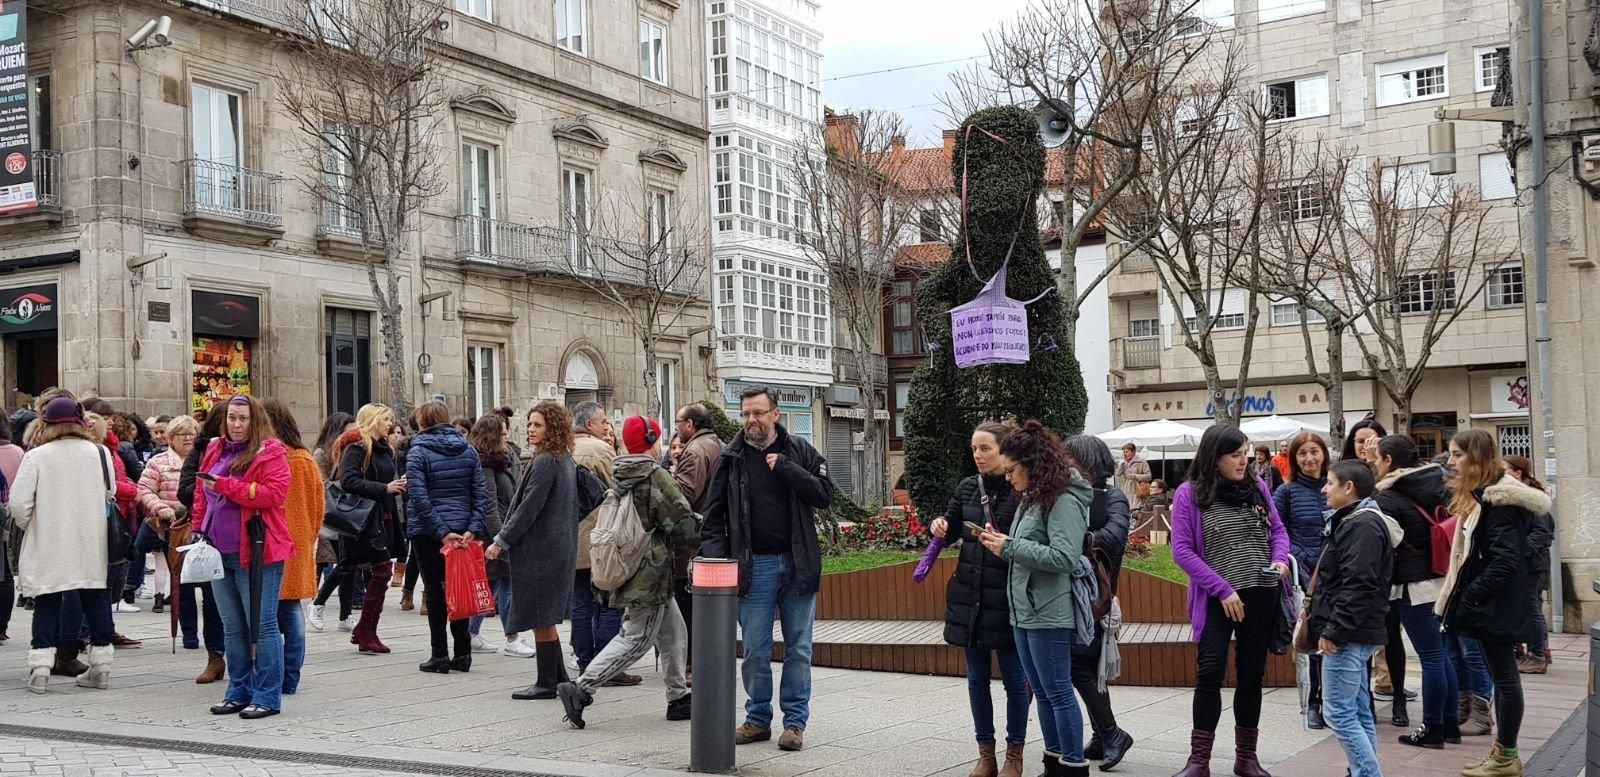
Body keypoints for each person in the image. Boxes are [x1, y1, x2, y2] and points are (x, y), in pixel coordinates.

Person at [701, 385, 833, 753]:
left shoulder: (798, 451)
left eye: (758, 413)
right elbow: (713, 518)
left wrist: (789, 470)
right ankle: (758, 719)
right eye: (744, 414)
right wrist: (716, 560)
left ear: (775, 415)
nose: (750, 420)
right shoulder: (732, 458)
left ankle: (794, 723)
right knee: (756, 649)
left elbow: (825, 494)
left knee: (799, 648)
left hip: (798, 562)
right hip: (753, 566)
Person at [557, 416, 700, 729]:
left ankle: (678, 697)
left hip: (636, 564)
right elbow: (681, 521)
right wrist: (708, 532)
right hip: (647, 572)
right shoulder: (653, 474)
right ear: (652, 440)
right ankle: (581, 688)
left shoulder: (623, 469)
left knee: (674, 632)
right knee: (637, 638)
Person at [1171, 424, 1291, 777]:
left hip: (1261, 592)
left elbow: (1279, 531)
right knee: (1209, 675)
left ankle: (1246, 759)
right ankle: (1199, 762)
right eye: (1236, 455)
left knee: (1251, 676)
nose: (1245, 461)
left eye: (1246, 453)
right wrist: (1222, 589)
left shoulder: (1257, 487)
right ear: (1214, 457)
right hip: (1217, 598)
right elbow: (1181, 551)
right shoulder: (1189, 494)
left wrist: (1280, 560)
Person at [974, 421, 1091, 777]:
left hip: (1049, 611)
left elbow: (1064, 557)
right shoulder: (1034, 498)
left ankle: (1073, 765)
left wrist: (1010, 546)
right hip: (1025, 610)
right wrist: (1004, 544)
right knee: (1041, 690)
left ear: (1032, 464)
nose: (1007, 478)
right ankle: (1054, 762)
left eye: (1011, 470)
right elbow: (1031, 549)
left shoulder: (1063, 499)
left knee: (1057, 692)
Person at [1439, 429, 1550, 777]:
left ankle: (1506, 755)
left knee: (1504, 679)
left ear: (1476, 458)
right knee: (1502, 678)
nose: (1451, 461)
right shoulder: (1483, 496)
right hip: (1492, 603)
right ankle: (1503, 753)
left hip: (1495, 605)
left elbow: (1505, 560)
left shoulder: (1499, 501)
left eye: (1457, 454)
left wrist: (1472, 595)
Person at [930, 422, 1030, 777]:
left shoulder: (1022, 489)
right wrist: (940, 525)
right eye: (974, 449)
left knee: (1016, 681)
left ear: (1005, 451)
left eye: (985, 448)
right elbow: (951, 525)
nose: (978, 455)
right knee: (976, 679)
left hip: (1009, 598)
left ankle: (1014, 755)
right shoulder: (969, 487)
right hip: (970, 596)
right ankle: (985, 753)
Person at [192, 396, 292, 720]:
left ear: (255, 421)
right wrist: (197, 529)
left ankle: (267, 695)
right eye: (231, 418)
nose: (236, 425)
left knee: (262, 627)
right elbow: (200, 493)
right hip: (219, 552)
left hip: (259, 551)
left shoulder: (272, 452)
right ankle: (238, 691)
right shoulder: (215, 448)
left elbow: (273, 495)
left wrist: (226, 486)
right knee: (232, 627)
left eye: (243, 419)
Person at [13, 397, 118, 693]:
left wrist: (34, 525)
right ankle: (101, 668)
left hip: (49, 539)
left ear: (45, 424)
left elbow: (19, 505)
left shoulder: (37, 456)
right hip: (91, 539)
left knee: (47, 600)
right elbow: (110, 491)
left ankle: (41, 668)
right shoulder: (99, 453)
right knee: (95, 599)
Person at [1368, 435, 1465, 750]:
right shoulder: (1437, 484)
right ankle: (1450, 724)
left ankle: (1433, 727)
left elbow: (1385, 545)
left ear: (1389, 461)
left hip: (1414, 585)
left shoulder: (1390, 498)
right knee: (1441, 655)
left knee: (1432, 657)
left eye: (1378, 458)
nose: (1375, 463)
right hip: (1441, 577)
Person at [1312, 460, 1402, 777]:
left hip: (1350, 634)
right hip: (1359, 630)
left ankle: (1367, 773)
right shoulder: (1357, 520)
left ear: (1348, 487)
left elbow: (1358, 583)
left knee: (1339, 713)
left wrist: (1334, 631)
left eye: (1330, 483)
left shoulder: (1361, 524)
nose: (1324, 489)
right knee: (1359, 711)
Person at [486, 402, 579, 701]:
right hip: (557, 546)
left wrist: (501, 540)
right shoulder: (562, 458)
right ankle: (559, 677)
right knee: (546, 615)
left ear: (553, 428)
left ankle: (545, 681)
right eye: (529, 424)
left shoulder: (545, 462)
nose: (530, 429)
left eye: (537, 425)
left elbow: (528, 508)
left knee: (541, 615)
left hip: (543, 549)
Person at [1063, 433, 1135, 770]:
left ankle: (1112, 733)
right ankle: (1101, 734)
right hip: (1072, 592)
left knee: (1079, 664)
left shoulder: (1114, 497)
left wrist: (1074, 539)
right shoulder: (1068, 494)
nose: (1066, 464)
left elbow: (1115, 537)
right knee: (1088, 665)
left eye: (1071, 458)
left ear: (1088, 461)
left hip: (1097, 596)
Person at [406, 401, 490, 674]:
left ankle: (439, 654)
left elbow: (419, 496)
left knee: (434, 590)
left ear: (422, 422)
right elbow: (480, 493)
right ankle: (463, 653)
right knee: (459, 587)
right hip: (463, 528)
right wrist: (471, 529)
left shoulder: (418, 450)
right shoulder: (468, 449)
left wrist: (441, 532)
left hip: (429, 532)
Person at [1341, 419, 1409, 715]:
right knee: (1360, 637)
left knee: (1391, 636)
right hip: (1354, 565)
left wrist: (1374, 463)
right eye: (1359, 441)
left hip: (1388, 570)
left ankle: (1398, 699)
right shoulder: (1343, 474)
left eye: (1372, 441)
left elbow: (1384, 505)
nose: (1365, 447)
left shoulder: (1395, 478)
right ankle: (1364, 697)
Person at [260, 399, 324, 696]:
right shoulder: (303, 458)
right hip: (296, 541)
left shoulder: (286, 459)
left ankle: (280, 674)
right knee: (291, 609)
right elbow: (318, 505)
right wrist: (308, 535)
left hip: (276, 541)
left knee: (277, 612)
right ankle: (289, 677)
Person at [570, 402, 635, 684]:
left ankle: (585, 660)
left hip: (570, 540)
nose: (606, 426)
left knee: (581, 603)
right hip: (600, 539)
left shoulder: (561, 449)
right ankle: (608, 664)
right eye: (602, 420)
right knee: (609, 602)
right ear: (589, 424)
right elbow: (620, 488)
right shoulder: (599, 450)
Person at [334, 404, 406, 655]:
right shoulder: (357, 447)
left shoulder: (385, 449)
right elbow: (349, 481)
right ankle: (366, 629)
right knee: (382, 570)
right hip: (365, 518)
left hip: (383, 515)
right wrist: (384, 488)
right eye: (385, 419)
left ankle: (366, 629)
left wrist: (395, 485)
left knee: (380, 571)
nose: (389, 424)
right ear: (373, 420)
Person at [1273, 432, 1331, 729]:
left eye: (1314, 452)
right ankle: (1315, 702)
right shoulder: (1286, 492)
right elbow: (1277, 532)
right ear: (1294, 459)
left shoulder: (1337, 485)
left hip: (1339, 571)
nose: (1310, 459)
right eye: (1303, 454)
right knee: (1314, 637)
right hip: (1306, 574)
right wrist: (1302, 555)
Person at [468, 413, 528, 657]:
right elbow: (489, 506)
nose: (508, 436)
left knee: (493, 585)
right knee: (504, 585)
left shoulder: (503, 459)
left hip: (502, 530)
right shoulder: (485, 464)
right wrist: (501, 540)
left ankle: (471, 633)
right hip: (494, 533)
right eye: (503, 433)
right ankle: (512, 638)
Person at [671, 403, 725, 666]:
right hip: (712, 537)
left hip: (691, 540)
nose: (677, 429)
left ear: (690, 424)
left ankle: (691, 662)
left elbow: (683, 496)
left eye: (678, 423)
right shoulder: (717, 444)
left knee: (687, 604)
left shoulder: (694, 451)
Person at [177, 404, 228, 681]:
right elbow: (184, 490)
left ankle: (247, 658)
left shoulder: (254, 449)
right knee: (211, 599)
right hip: (211, 533)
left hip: (243, 534)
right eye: (230, 419)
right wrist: (209, 487)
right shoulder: (202, 451)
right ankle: (215, 657)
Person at [1501, 456, 1553, 675]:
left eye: (1504, 470)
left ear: (1517, 474)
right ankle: (1533, 650)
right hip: (1525, 564)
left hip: (1532, 566)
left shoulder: (1531, 498)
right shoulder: (1516, 496)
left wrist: (1519, 552)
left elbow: (1543, 532)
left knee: (1532, 608)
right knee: (1525, 608)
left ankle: (1537, 654)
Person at [310, 412, 356, 630]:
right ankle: (318, 603)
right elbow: (322, 484)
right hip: (332, 515)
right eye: (349, 429)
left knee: (350, 563)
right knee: (344, 563)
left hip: (350, 514)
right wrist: (347, 482)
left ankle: (345, 615)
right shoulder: (321, 453)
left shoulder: (352, 450)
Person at [1115, 443, 1152, 510]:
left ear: (1133, 452)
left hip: (1138, 488)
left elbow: (1149, 476)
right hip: (1126, 488)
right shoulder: (1123, 462)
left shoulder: (1142, 461)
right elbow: (1117, 474)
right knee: (1126, 507)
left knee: (1136, 509)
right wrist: (1120, 466)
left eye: (1127, 452)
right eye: (1124, 452)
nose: (1125, 454)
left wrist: (1135, 476)